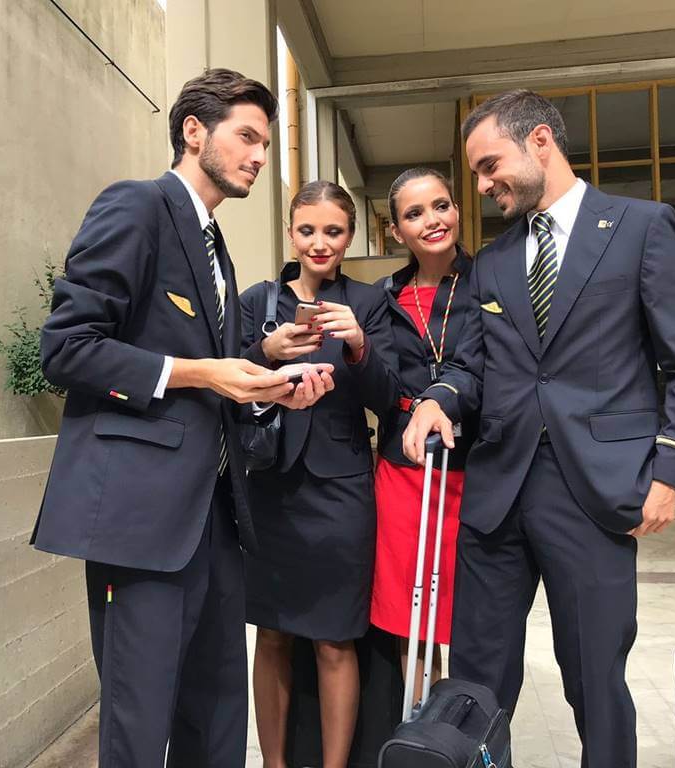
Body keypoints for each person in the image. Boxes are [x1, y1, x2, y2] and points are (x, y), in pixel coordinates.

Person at [30, 68, 335, 768]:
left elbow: (211, 374)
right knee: (139, 722)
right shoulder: (137, 206)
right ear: (194, 131)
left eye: (266, 143)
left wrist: (267, 376)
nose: (260, 155)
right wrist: (205, 372)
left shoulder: (213, 243)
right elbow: (67, 349)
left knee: (219, 715)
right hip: (141, 518)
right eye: (248, 137)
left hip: (215, 517)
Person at [403, 89, 675, 767]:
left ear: (540, 141)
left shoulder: (640, 227)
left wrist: (671, 472)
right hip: (498, 495)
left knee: (595, 681)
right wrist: (438, 398)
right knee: (475, 684)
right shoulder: (492, 261)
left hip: (593, 492)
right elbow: (470, 364)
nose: (482, 186)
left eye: (489, 166)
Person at [240, 180, 398, 768]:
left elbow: (390, 397)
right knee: (272, 635)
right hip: (271, 487)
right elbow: (230, 384)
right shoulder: (258, 303)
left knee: (335, 638)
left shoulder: (368, 303)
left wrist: (358, 345)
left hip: (340, 493)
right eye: (307, 230)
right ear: (290, 233)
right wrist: (266, 354)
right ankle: (275, 764)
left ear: (349, 236)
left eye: (333, 231)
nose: (319, 242)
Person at [369, 167, 478, 703]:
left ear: (456, 209)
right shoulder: (383, 297)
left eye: (441, 205)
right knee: (408, 614)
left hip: (476, 470)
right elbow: (377, 383)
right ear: (396, 231)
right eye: (414, 214)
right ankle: (419, 728)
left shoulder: (490, 282)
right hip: (404, 470)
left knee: (469, 612)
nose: (432, 220)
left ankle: (458, 724)